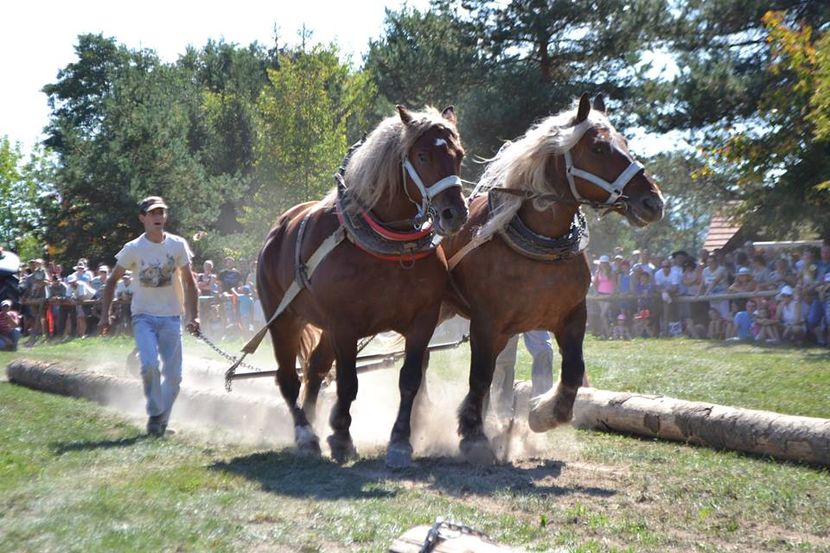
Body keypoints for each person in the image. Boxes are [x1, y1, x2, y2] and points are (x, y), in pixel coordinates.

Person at [99, 195, 200, 437]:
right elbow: (111, 281)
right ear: (142, 218)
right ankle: (156, 414)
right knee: (150, 365)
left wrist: (194, 317)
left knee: (174, 378)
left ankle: (160, 422)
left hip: (172, 318)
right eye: (153, 213)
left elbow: (190, 282)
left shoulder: (177, 245)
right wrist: (105, 315)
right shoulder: (133, 249)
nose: (158, 217)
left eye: (161, 213)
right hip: (143, 317)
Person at [491, 330, 555, 416]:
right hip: (506, 317)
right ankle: (502, 411)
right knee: (503, 361)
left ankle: (542, 408)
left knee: (544, 351)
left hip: (531, 316)